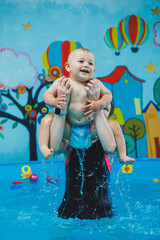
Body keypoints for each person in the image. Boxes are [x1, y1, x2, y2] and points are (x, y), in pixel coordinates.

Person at [39, 47, 135, 163]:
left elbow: (108, 95)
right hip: (69, 127)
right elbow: (47, 95)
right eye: (81, 61)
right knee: (47, 120)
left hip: (90, 128)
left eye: (90, 63)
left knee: (115, 126)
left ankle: (122, 155)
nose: (86, 65)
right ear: (68, 66)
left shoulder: (95, 83)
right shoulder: (62, 82)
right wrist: (55, 101)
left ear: (94, 70)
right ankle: (44, 146)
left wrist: (99, 104)